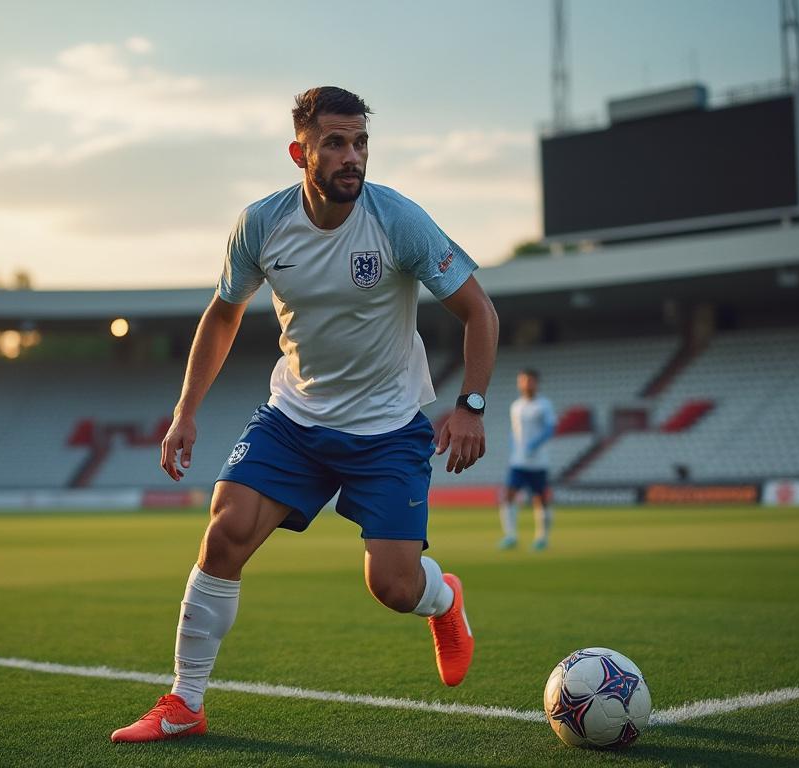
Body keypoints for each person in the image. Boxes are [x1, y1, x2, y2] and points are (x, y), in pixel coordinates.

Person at [110, 86, 499, 743]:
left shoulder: (398, 220)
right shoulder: (261, 224)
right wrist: (185, 410)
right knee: (226, 531)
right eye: (335, 143)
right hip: (295, 417)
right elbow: (224, 313)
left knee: (393, 587)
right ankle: (185, 702)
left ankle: (444, 599)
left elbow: (479, 311)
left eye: (361, 143)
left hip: (386, 428)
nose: (353, 157)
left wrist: (472, 405)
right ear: (300, 153)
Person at [499, 369, 557, 551]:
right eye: (523, 381)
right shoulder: (516, 406)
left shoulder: (544, 405)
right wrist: (514, 447)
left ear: (536, 383)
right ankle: (510, 536)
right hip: (518, 461)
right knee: (508, 495)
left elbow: (549, 429)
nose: (526, 384)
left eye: (530, 381)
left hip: (538, 461)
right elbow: (514, 430)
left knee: (540, 498)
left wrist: (534, 444)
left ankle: (542, 537)